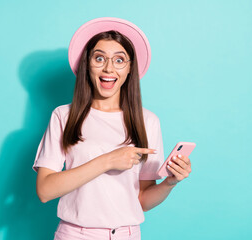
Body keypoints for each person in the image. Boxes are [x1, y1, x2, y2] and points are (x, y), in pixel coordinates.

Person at [32, 17, 192, 240]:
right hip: (76, 235)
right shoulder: (64, 116)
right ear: (87, 64)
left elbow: (142, 200)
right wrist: (108, 160)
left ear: (129, 69)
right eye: (99, 58)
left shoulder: (148, 121)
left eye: (119, 60)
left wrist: (170, 183)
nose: (109, 68)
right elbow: (45, 190)